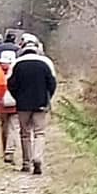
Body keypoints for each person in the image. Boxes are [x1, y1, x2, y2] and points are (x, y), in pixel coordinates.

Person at [8, 35, 58, 176]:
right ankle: (38, 158)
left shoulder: (17, 64)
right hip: (40, 103)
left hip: (23, 104)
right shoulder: (45, 63)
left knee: (25, 133)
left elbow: (11, 84)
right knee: (39, 133)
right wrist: (48, 98)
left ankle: (26, 162)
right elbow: (52, 83)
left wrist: (17, 97)